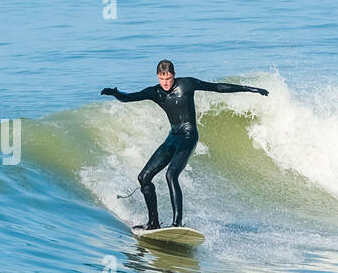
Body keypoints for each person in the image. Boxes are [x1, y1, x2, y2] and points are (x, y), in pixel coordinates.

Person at [101, 60, 268, 229]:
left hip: (188, 137)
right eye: (161, 79)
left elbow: (217, 87)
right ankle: (153, 222)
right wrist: (116, 93)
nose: (165, 83)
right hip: (172, 138)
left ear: (173, 75)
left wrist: (250, 89)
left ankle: (177, 224)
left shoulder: (187, 84)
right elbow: (129, 97)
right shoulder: (155, 92)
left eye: (168, 78)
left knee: (171, 175)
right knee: (143, 178)